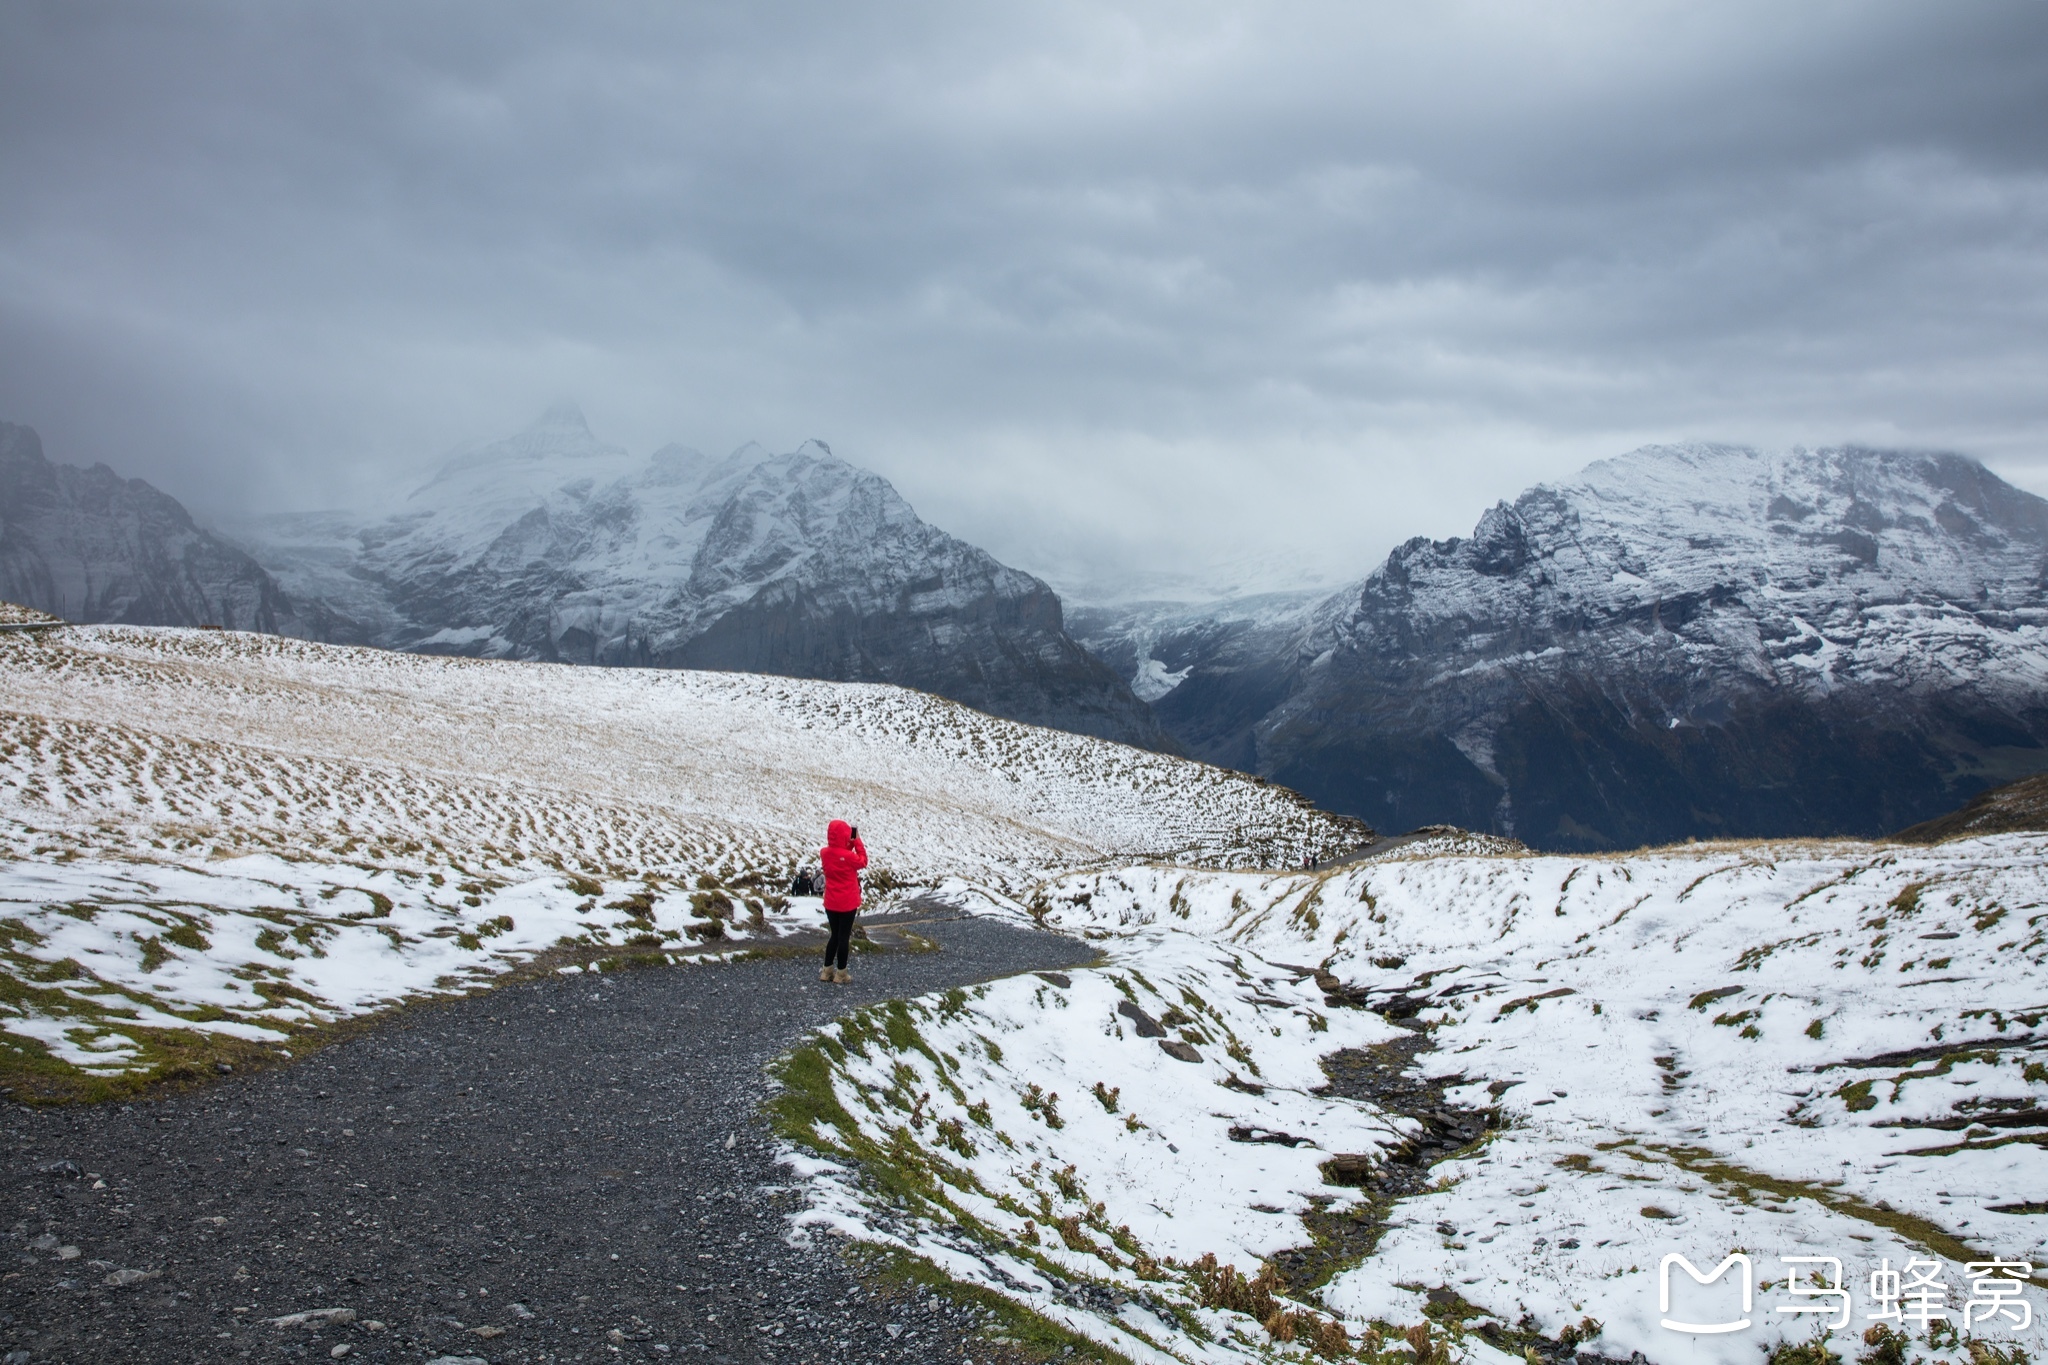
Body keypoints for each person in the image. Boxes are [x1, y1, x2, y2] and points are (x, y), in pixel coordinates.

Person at [818, 819, 867, 984]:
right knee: (844, 937)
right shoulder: (849, 856)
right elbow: (862, 861)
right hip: (847, 902)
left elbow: (840, 854)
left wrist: (848, 843)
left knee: (834, 935)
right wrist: (856, 840)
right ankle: (841, 974)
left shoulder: (824, 853)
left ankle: (826, 971)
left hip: (831, 901)